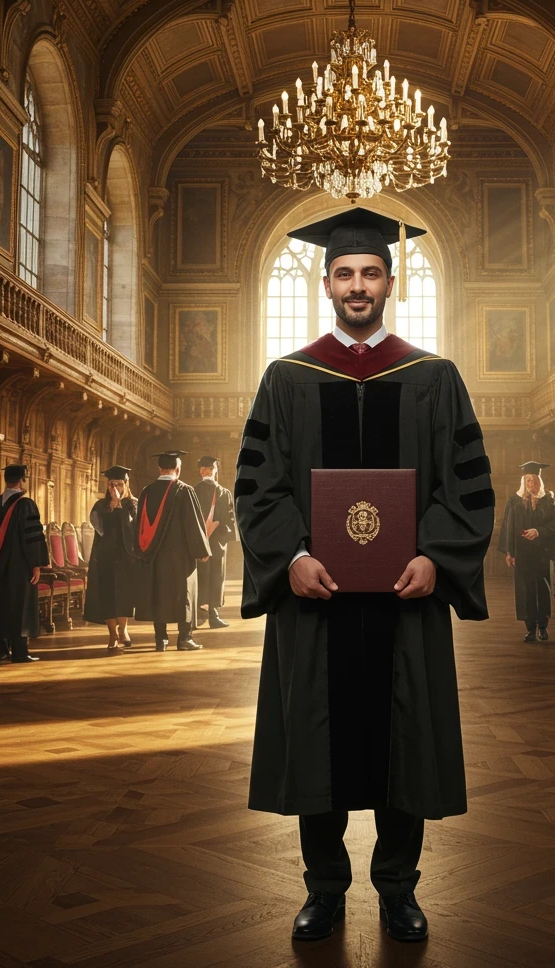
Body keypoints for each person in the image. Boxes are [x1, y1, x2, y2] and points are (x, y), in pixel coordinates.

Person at [235, 208, 494, 944]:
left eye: (370, 273)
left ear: (389, 283)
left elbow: (467, 485)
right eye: (345, 274)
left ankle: (398, 890)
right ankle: (323, 890)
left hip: (406, 601)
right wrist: (292, 558)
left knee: (402, 745)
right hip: (313, 599)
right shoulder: (286, 379)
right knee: (317, 741)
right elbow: (257, 485)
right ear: (326, 284)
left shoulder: (434, 378)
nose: (357, 286)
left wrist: (434, 557)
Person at [133, 450, 211, 652]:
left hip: (154, 556)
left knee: (158, 594)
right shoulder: (183, 490)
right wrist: (201, 550)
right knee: (183, 595)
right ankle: (184, 639)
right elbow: (193, 524)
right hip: (180, 557)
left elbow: (138, 526)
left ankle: (161, 640)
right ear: (178, 469)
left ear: (160, 469)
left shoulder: (146, 492)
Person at [0, 464, 49, 664]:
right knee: (20, 606)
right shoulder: (25, 504)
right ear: (22, 480)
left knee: (0, 605)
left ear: (6, 480)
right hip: (19, 567)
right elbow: (32, 536)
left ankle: (0, 650)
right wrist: (36, 564)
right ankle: (19, 652)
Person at [498, 461, 555, 642]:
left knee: (542, 590)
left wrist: (539, 531)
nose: (531, 484)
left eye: (534, 480)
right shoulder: (514, 502)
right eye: (527, 480)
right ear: (523, 482)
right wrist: (509, 552)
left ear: (539, 481)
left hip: (541, 553)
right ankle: (530, 629)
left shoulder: (548, 500)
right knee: (525, 590)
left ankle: (543, 627)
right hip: (522, 554)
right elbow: (508, 528)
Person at [83, 466, 138, 653]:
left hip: (126, 557)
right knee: (107, 595)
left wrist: (120, 505)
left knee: (123, 595)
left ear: (126, 485)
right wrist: (113, 505)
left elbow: (133, 530)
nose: (115, 487)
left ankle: (123, 630)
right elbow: (100, 529)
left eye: (119, 484)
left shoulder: (133, 504)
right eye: (112, 484)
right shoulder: (100, 506)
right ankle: (112, 634)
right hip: (105, 556)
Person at [194, 455, 236, 629]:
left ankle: (212, 614)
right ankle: (203, 613)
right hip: (204, 543)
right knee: (203, 577)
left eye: (210, 469)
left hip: (210, 543)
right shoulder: (193, 491)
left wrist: (218, 535)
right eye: (204, 469)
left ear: (215, 470)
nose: (206, 472)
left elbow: (230, 519)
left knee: (214, 576)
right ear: (200, 471)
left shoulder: (222, 492)